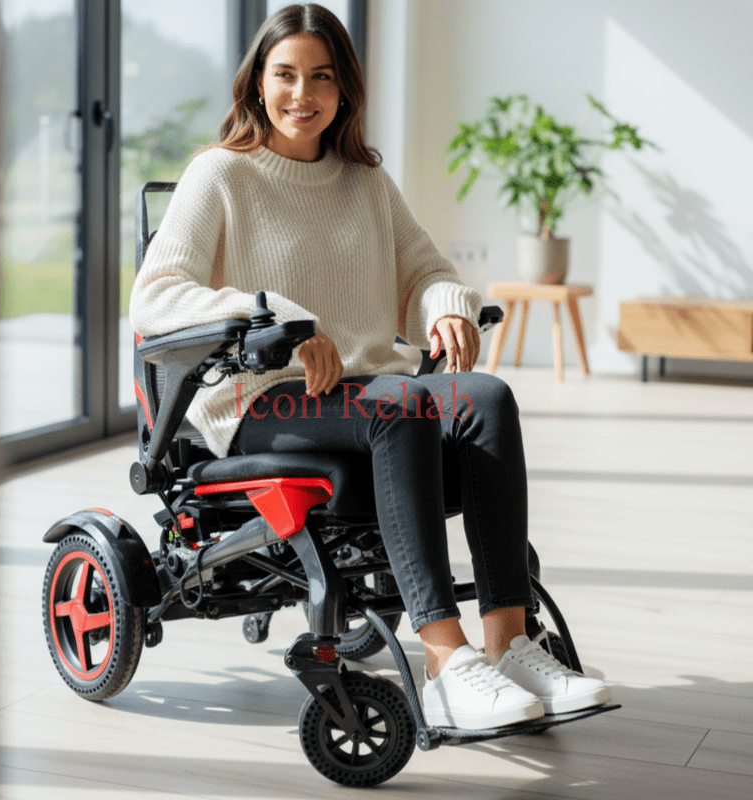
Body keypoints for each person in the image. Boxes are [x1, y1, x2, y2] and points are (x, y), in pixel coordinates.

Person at [129, 3, 611, 729]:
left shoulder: (365, 182)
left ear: (345, 89)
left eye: (321, 77)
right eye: (285, 74)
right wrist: (279, 322)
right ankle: (447, 663)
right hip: (264, 401)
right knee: (404, 404)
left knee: (485, 395)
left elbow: (424, 272)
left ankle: (509, 643)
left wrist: (444, 304)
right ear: (257, 83)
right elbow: (156, 297)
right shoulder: (219, 176)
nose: (302, 94)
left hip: (360, 393)